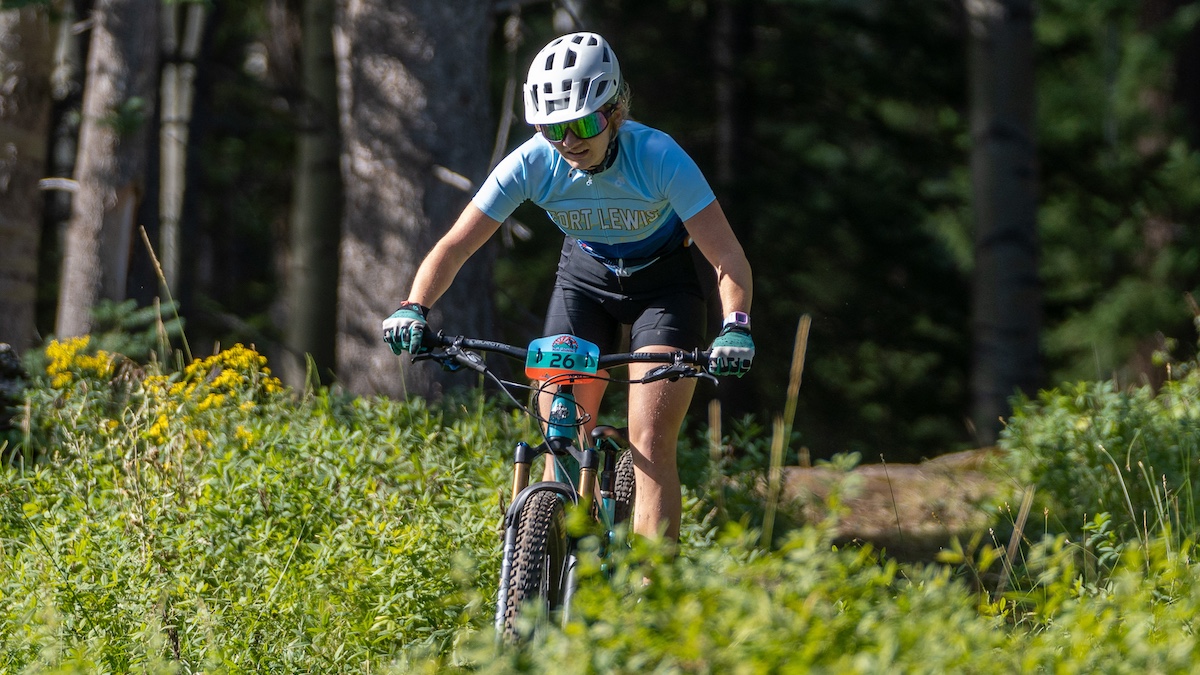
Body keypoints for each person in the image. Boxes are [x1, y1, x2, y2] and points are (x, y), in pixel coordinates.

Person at [383, 32, 753, 545]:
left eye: (582, 122)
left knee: (648, 440)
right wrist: (413, 307)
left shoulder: (658, 156)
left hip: (663, 288)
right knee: (561, 433)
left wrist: (735, 327)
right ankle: (545, 567)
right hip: (585, 282)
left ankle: (652, 603)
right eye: (552, 127)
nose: (568, 140)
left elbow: (728, 258)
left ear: (615, 110)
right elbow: (455, 246)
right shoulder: (534, 162)